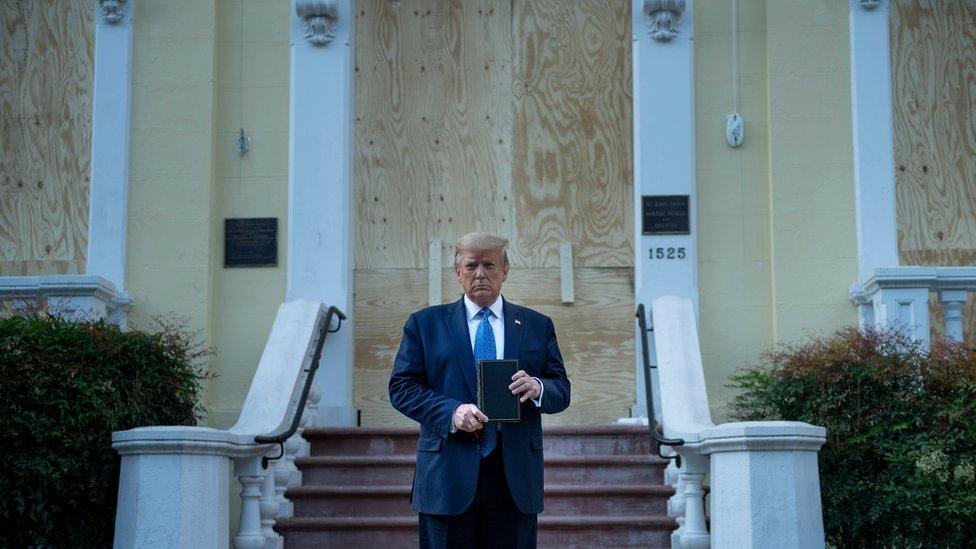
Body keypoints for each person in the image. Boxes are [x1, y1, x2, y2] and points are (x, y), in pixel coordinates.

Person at [389, 231, 571, 548]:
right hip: (447, 475)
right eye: (471, 266)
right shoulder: (425, 324)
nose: (480, 274)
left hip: (513, 478)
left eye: (489, 264)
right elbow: (402, 388)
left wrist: (538, 387)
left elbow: (561, 389)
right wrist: (452, 412)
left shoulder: (536, 325)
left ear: (505, 271)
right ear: (457, 273)